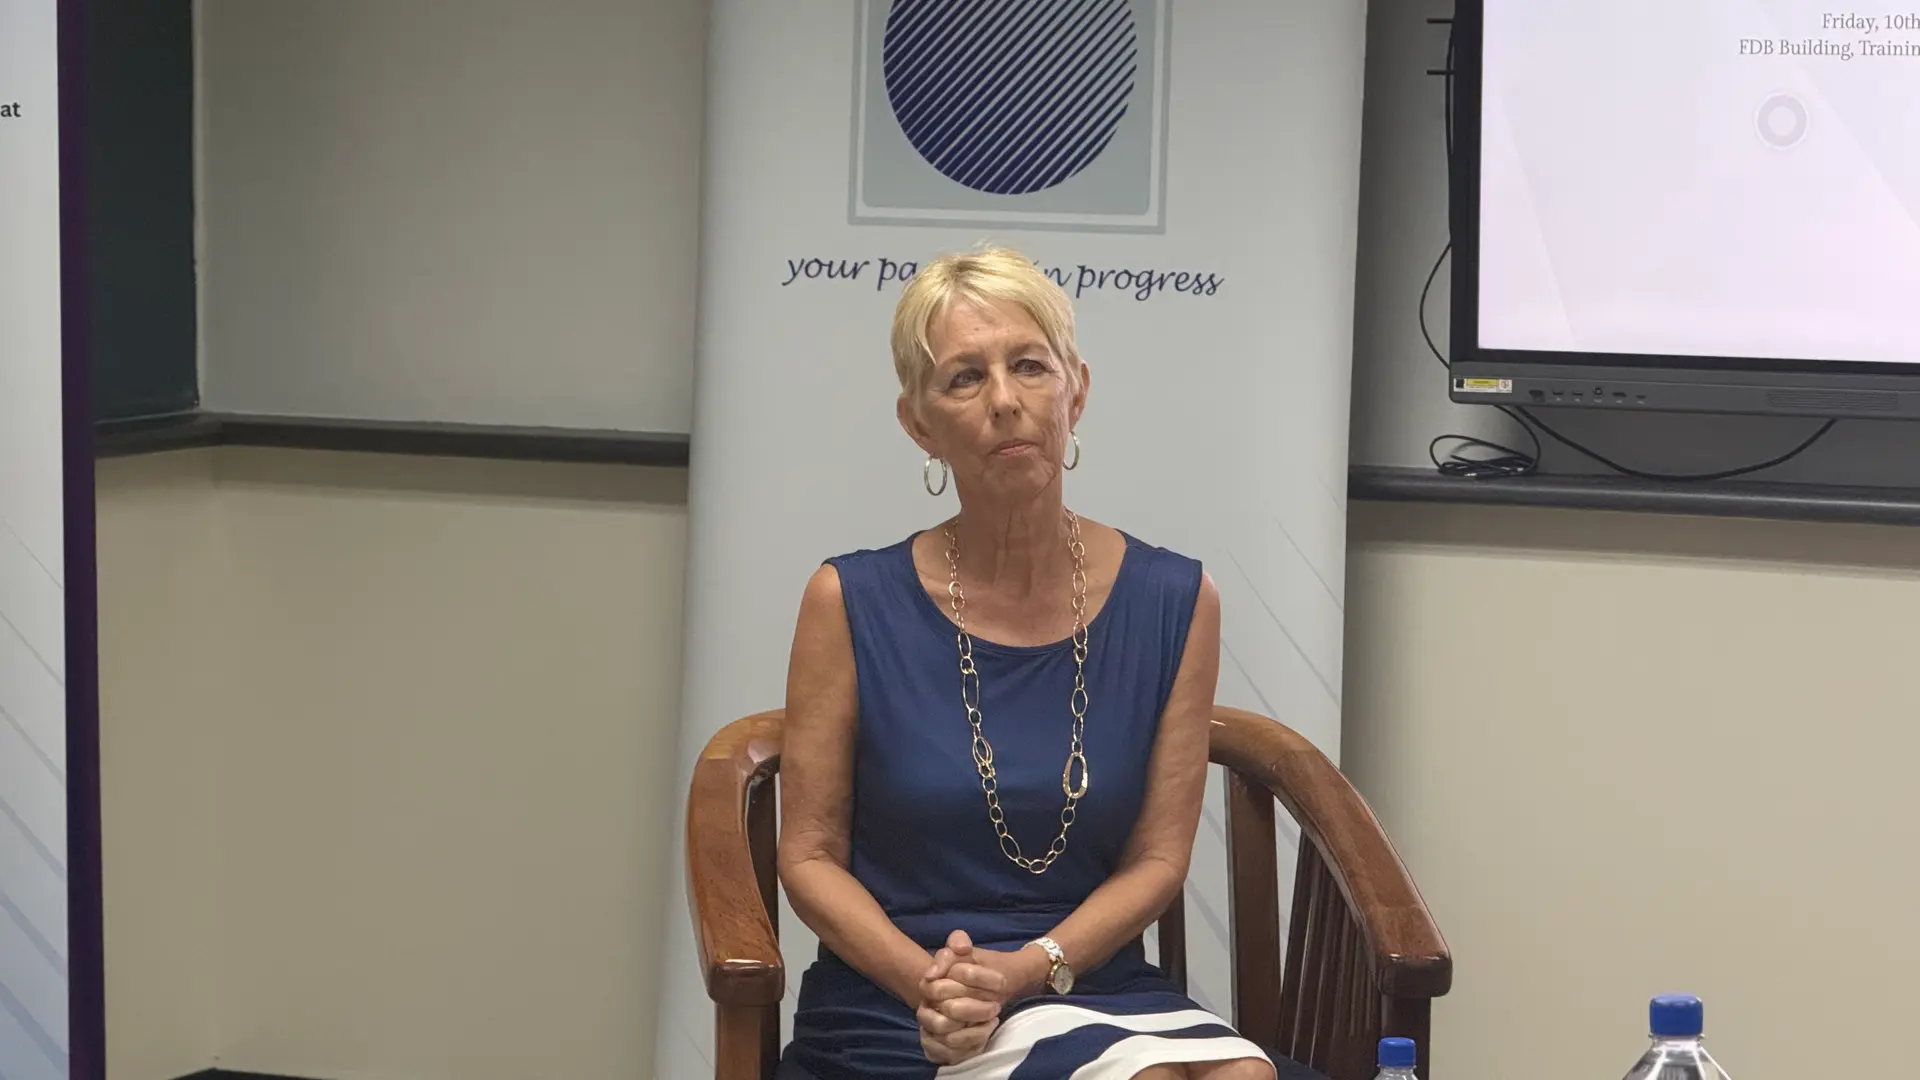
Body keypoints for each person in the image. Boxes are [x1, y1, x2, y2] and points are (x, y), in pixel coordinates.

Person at [774, 246, 1279, 1080]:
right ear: (918, 423)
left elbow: (1158, 858)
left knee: (1244, 1077)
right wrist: (935, 987)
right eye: (965, 379)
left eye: (1030, 366)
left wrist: (1023, 971)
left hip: (1087, 977)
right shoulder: (847, 599)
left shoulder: (1176, 599)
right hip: (898, 998)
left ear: (1076, 390)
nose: (1005, 400)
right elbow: (810, 855)